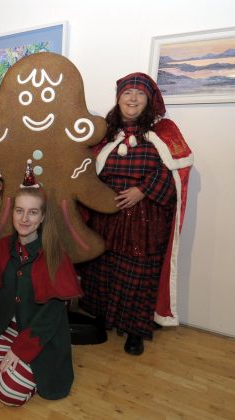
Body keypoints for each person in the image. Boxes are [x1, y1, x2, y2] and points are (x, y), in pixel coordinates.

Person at [77, 72, 193, 356]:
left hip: (145, 218)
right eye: (128, 93)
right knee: (104, 268)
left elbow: (174, 171)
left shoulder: (164, 130)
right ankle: (104, 316)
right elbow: (90, 167)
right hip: (107, 214)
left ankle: (135, 331)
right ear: (119, 98)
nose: (132, 98)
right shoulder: (106, 130)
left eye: (139, 94)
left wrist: (142, 190)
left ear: (149, 100)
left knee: (138, 275)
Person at [0, 161, 82, 406]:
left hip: (41, 336)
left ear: (43, 216)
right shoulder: (3, 248)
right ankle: (14, 368)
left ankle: (29, 375)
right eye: (19, 211)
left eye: (32, 212)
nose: (24, 218)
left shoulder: (55, 255)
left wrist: (19, 351)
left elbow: (52, 314)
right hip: (10, 328)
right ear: (12, 212)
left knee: (8, 394)